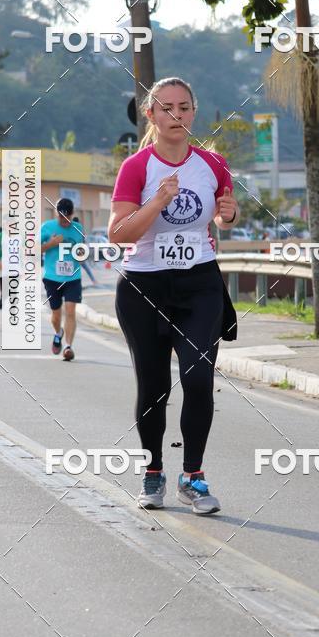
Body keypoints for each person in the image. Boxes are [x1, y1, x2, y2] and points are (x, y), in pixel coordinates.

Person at [109, 76, 239, 515]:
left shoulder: (212, 164)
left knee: (199, 379)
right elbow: (118, 233)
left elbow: (223, 215)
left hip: (199, 283)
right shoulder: (137, 168)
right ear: (151, 115)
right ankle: (152, 473)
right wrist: (157, 201)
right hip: (144, 287)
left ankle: (193, 477)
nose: (176, 115)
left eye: (184, 107)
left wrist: (229, 214)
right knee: (154, 387)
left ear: (193, 113)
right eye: (166, 108)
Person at [40, 198, 83, 361]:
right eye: (60, 218)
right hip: (52, 278)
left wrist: (81, 253)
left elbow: (82, 253)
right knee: (56, 315)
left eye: (67, 218)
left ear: (72, 214)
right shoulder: (47, 227)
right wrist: (51, 243)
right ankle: (58, 333)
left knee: (71, 311)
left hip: (73, 277)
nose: (64, 222)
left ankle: (68, 346)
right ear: (56, 214)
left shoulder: (78, 228)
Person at [72, 216, 98, 285]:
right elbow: (83, 240)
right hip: (80, 250)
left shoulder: (72, 229)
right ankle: (93, 280)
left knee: (74, 267)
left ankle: (70, 282)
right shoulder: (80, 229)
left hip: (74, 250)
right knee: (84, 266)